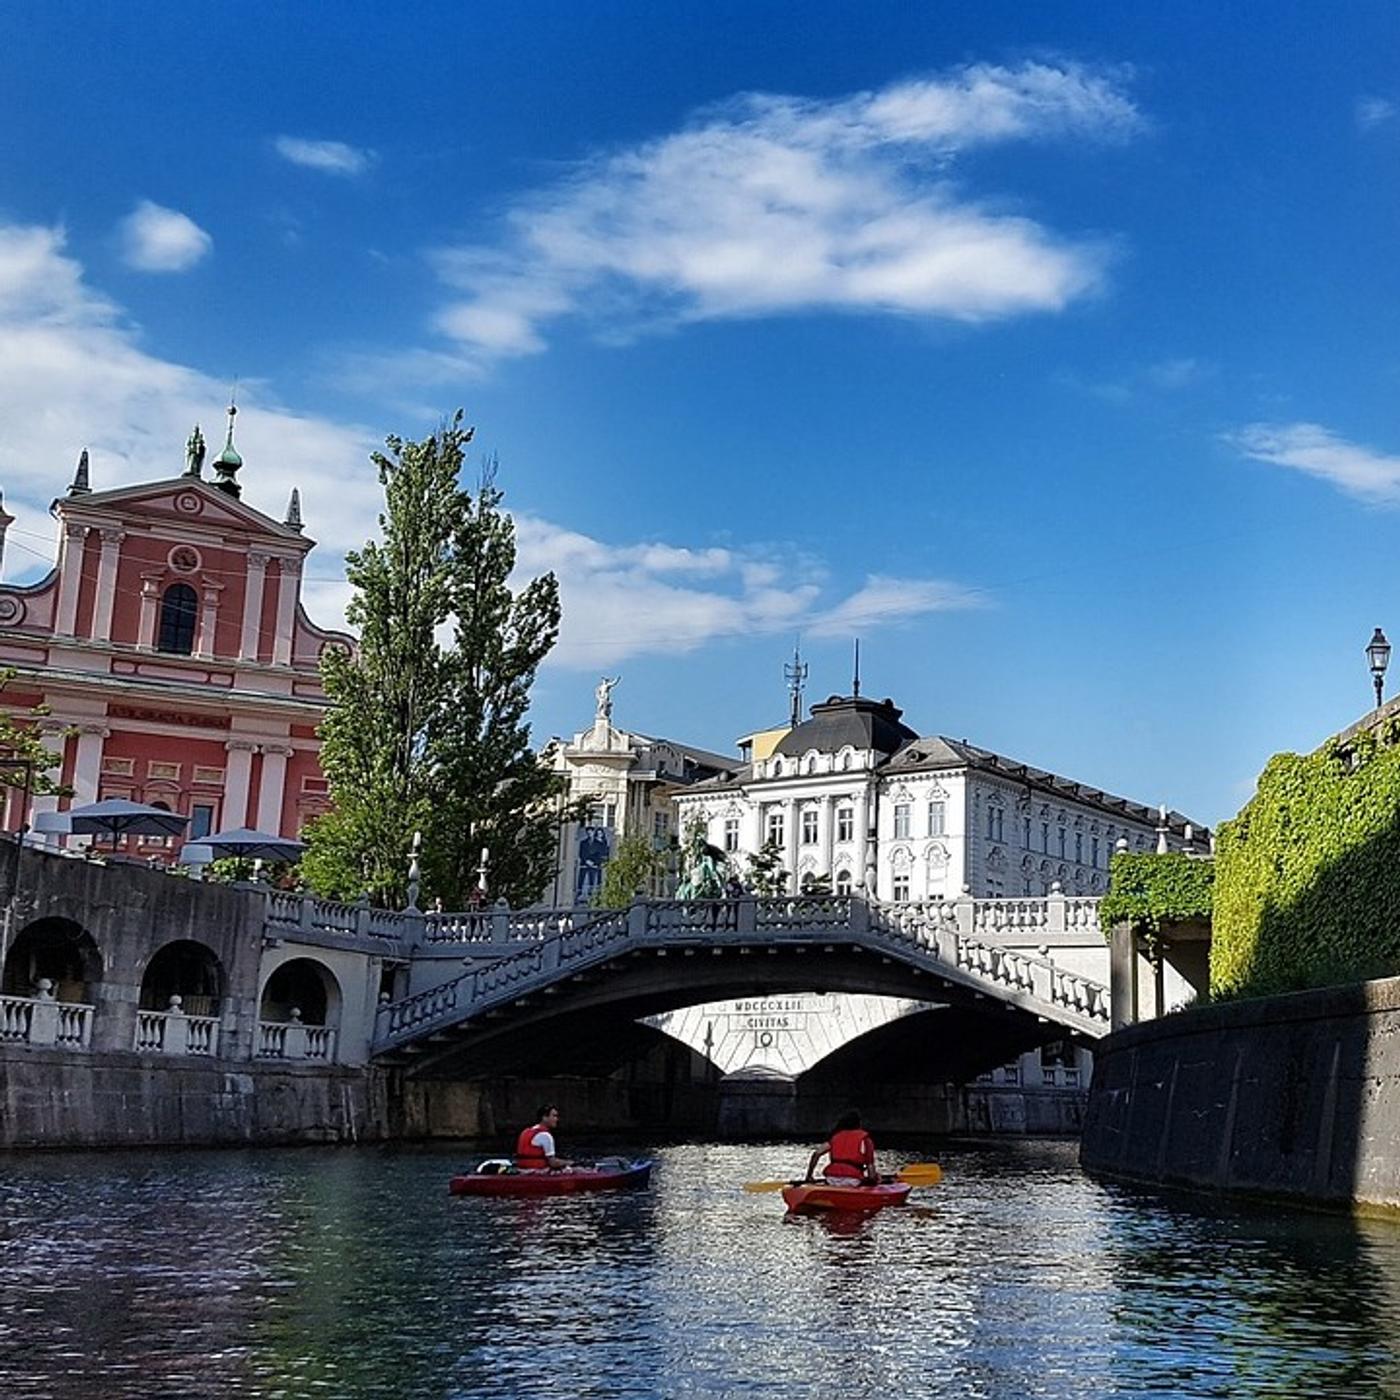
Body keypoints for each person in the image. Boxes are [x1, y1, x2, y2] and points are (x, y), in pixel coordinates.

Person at [805, 1109, 878, 1185]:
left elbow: (817, 1153)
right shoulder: (865, 1139)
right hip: (853, 1179)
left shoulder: (835, 1137)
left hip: (831, 1178)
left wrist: (809, 1175)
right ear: (859, 1124)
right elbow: (870, 1167)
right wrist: (873, 1180)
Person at [515, 1104, 572, 1171]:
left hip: (521, 1170)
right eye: (554, 1116)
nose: (556, 1119)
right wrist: (569, 1162)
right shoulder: (546, 1136)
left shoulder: (525, 1131)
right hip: (537, 1172)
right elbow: (553, 1163)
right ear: (544, 1117)